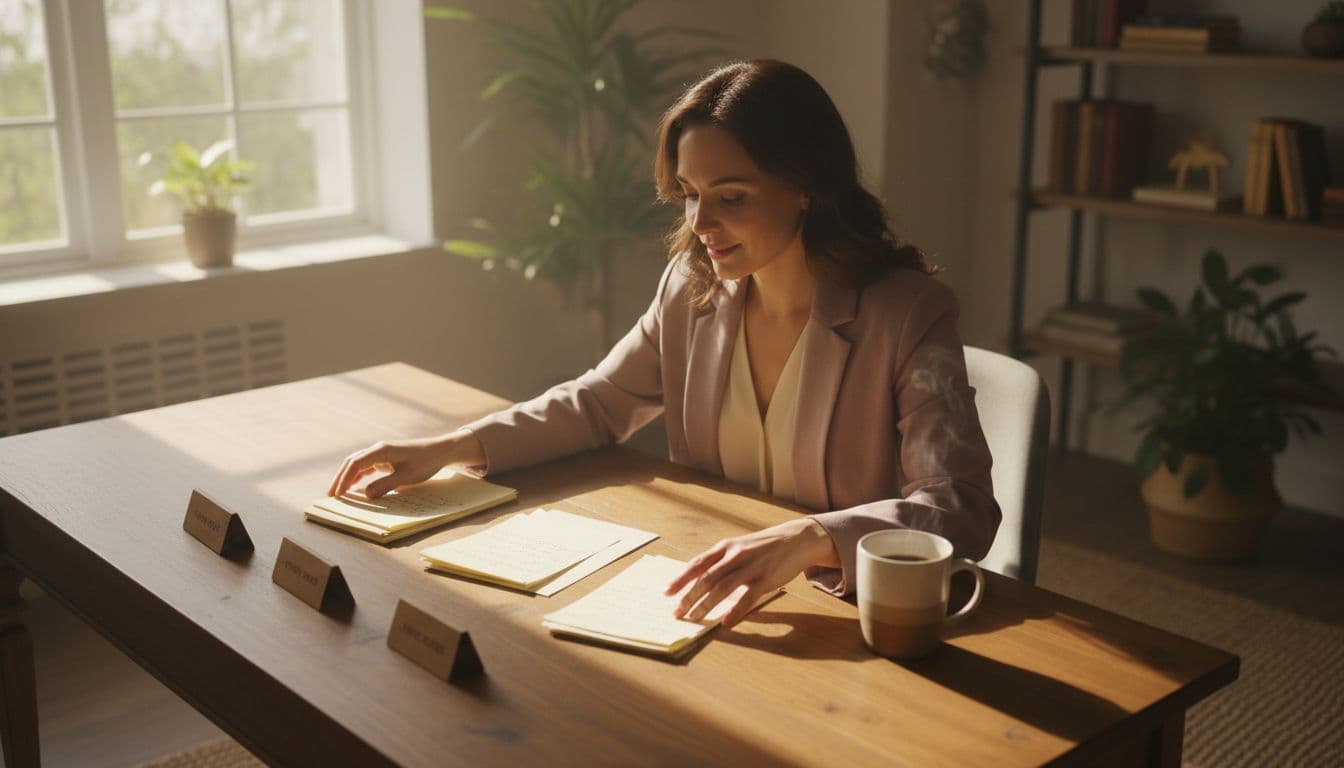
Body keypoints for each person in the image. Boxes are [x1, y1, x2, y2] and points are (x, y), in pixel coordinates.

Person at [328, 59, 1000, 630]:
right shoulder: (693, 286)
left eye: (730, 197)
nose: (701, 223)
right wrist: (450, 447)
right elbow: (600, 403)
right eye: (688, 194)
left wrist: (814, 536)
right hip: (708, 587)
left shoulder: (906, 312)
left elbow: (959, 504)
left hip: (845, 609)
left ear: (803, 189)